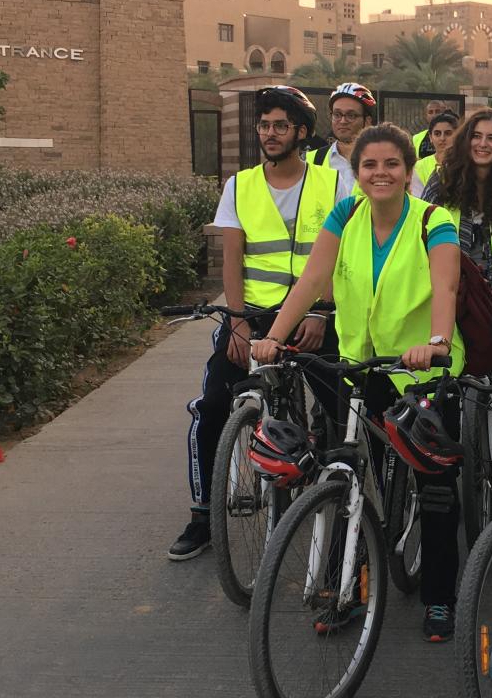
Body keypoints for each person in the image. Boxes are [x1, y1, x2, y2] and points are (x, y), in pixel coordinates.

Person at [253, 122, 466, 643]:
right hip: (362, 365)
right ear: (356, 172)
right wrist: (274, 339)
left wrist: (437, 340)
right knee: (345, 472)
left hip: (423, 370)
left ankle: (440, 596)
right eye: (369, 165)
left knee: (433, 486)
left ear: (408, 171)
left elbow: (447, 284)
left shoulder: (433, 220)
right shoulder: (345, 215)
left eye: (392, 164)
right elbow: (311, 280)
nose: (380, 173)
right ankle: (344, 587)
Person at [173, 86, 354, 560]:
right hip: (251, 315)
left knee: (339, 413)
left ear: (300, 132)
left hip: (313, 315)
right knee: (211, 406)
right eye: (264, 125)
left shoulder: (333, 185)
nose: (269, 134)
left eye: (280, 125)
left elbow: (340, 257)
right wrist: (235, 323)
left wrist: (321, 311)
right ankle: (202, 516)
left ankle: (338, 505)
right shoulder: (240, 184)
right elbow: (231, 258)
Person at [423, 107, 492, 285]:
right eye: (476, 136)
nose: (482, 144)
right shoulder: (442, 180)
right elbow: (420, 230)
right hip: (452, 293)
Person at [310, 82, 376, 185]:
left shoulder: (380, 160)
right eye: (337, 114)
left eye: (351, 115)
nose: (342, 121)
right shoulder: (314, 159)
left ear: (367, 121)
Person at [412, 110, 459, 197]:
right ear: (430, 137)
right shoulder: (419, 167)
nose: (442, 138)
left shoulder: (466, 163)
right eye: (437, 134)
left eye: (448, 133)